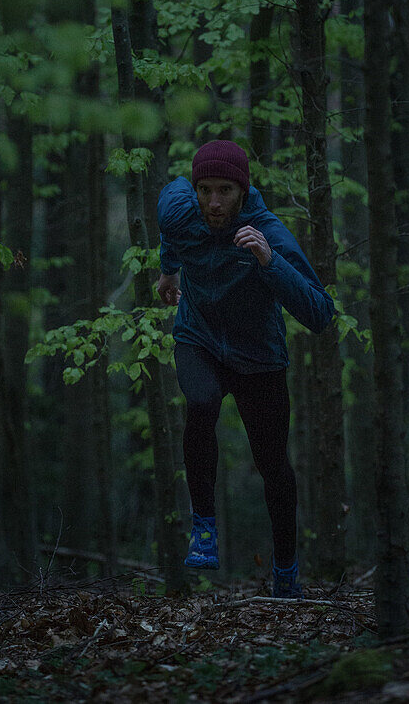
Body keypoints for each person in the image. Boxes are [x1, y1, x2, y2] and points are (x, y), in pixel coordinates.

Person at [156, 138, 335, 598]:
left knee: (272, 464)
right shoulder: (179, 207)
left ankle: (286, 571)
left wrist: (268, 261)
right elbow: (169, 227)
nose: (214, 203)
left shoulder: (267, 231)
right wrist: (169, 271)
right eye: (206, 190)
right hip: (199, 338)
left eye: (226, 192)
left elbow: (319, 314)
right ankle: (204, 530)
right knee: (201, 401)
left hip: (259, 358)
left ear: (243, 190)